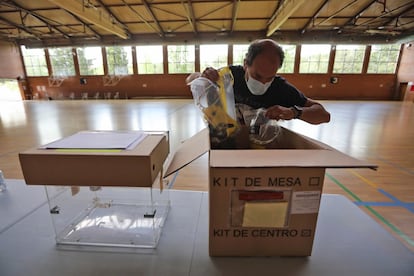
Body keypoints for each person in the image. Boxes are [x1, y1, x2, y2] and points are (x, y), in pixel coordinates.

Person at [195, 39, 331, 125]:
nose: (263, 82)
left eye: (270, 77)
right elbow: (192, 79)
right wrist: (205, 75)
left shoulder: (281, 88)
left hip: (259, 144)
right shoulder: (229, 76)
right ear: (245, 65)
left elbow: (324, 115)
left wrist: (294, 112)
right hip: (225, 139)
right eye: (257, 76)